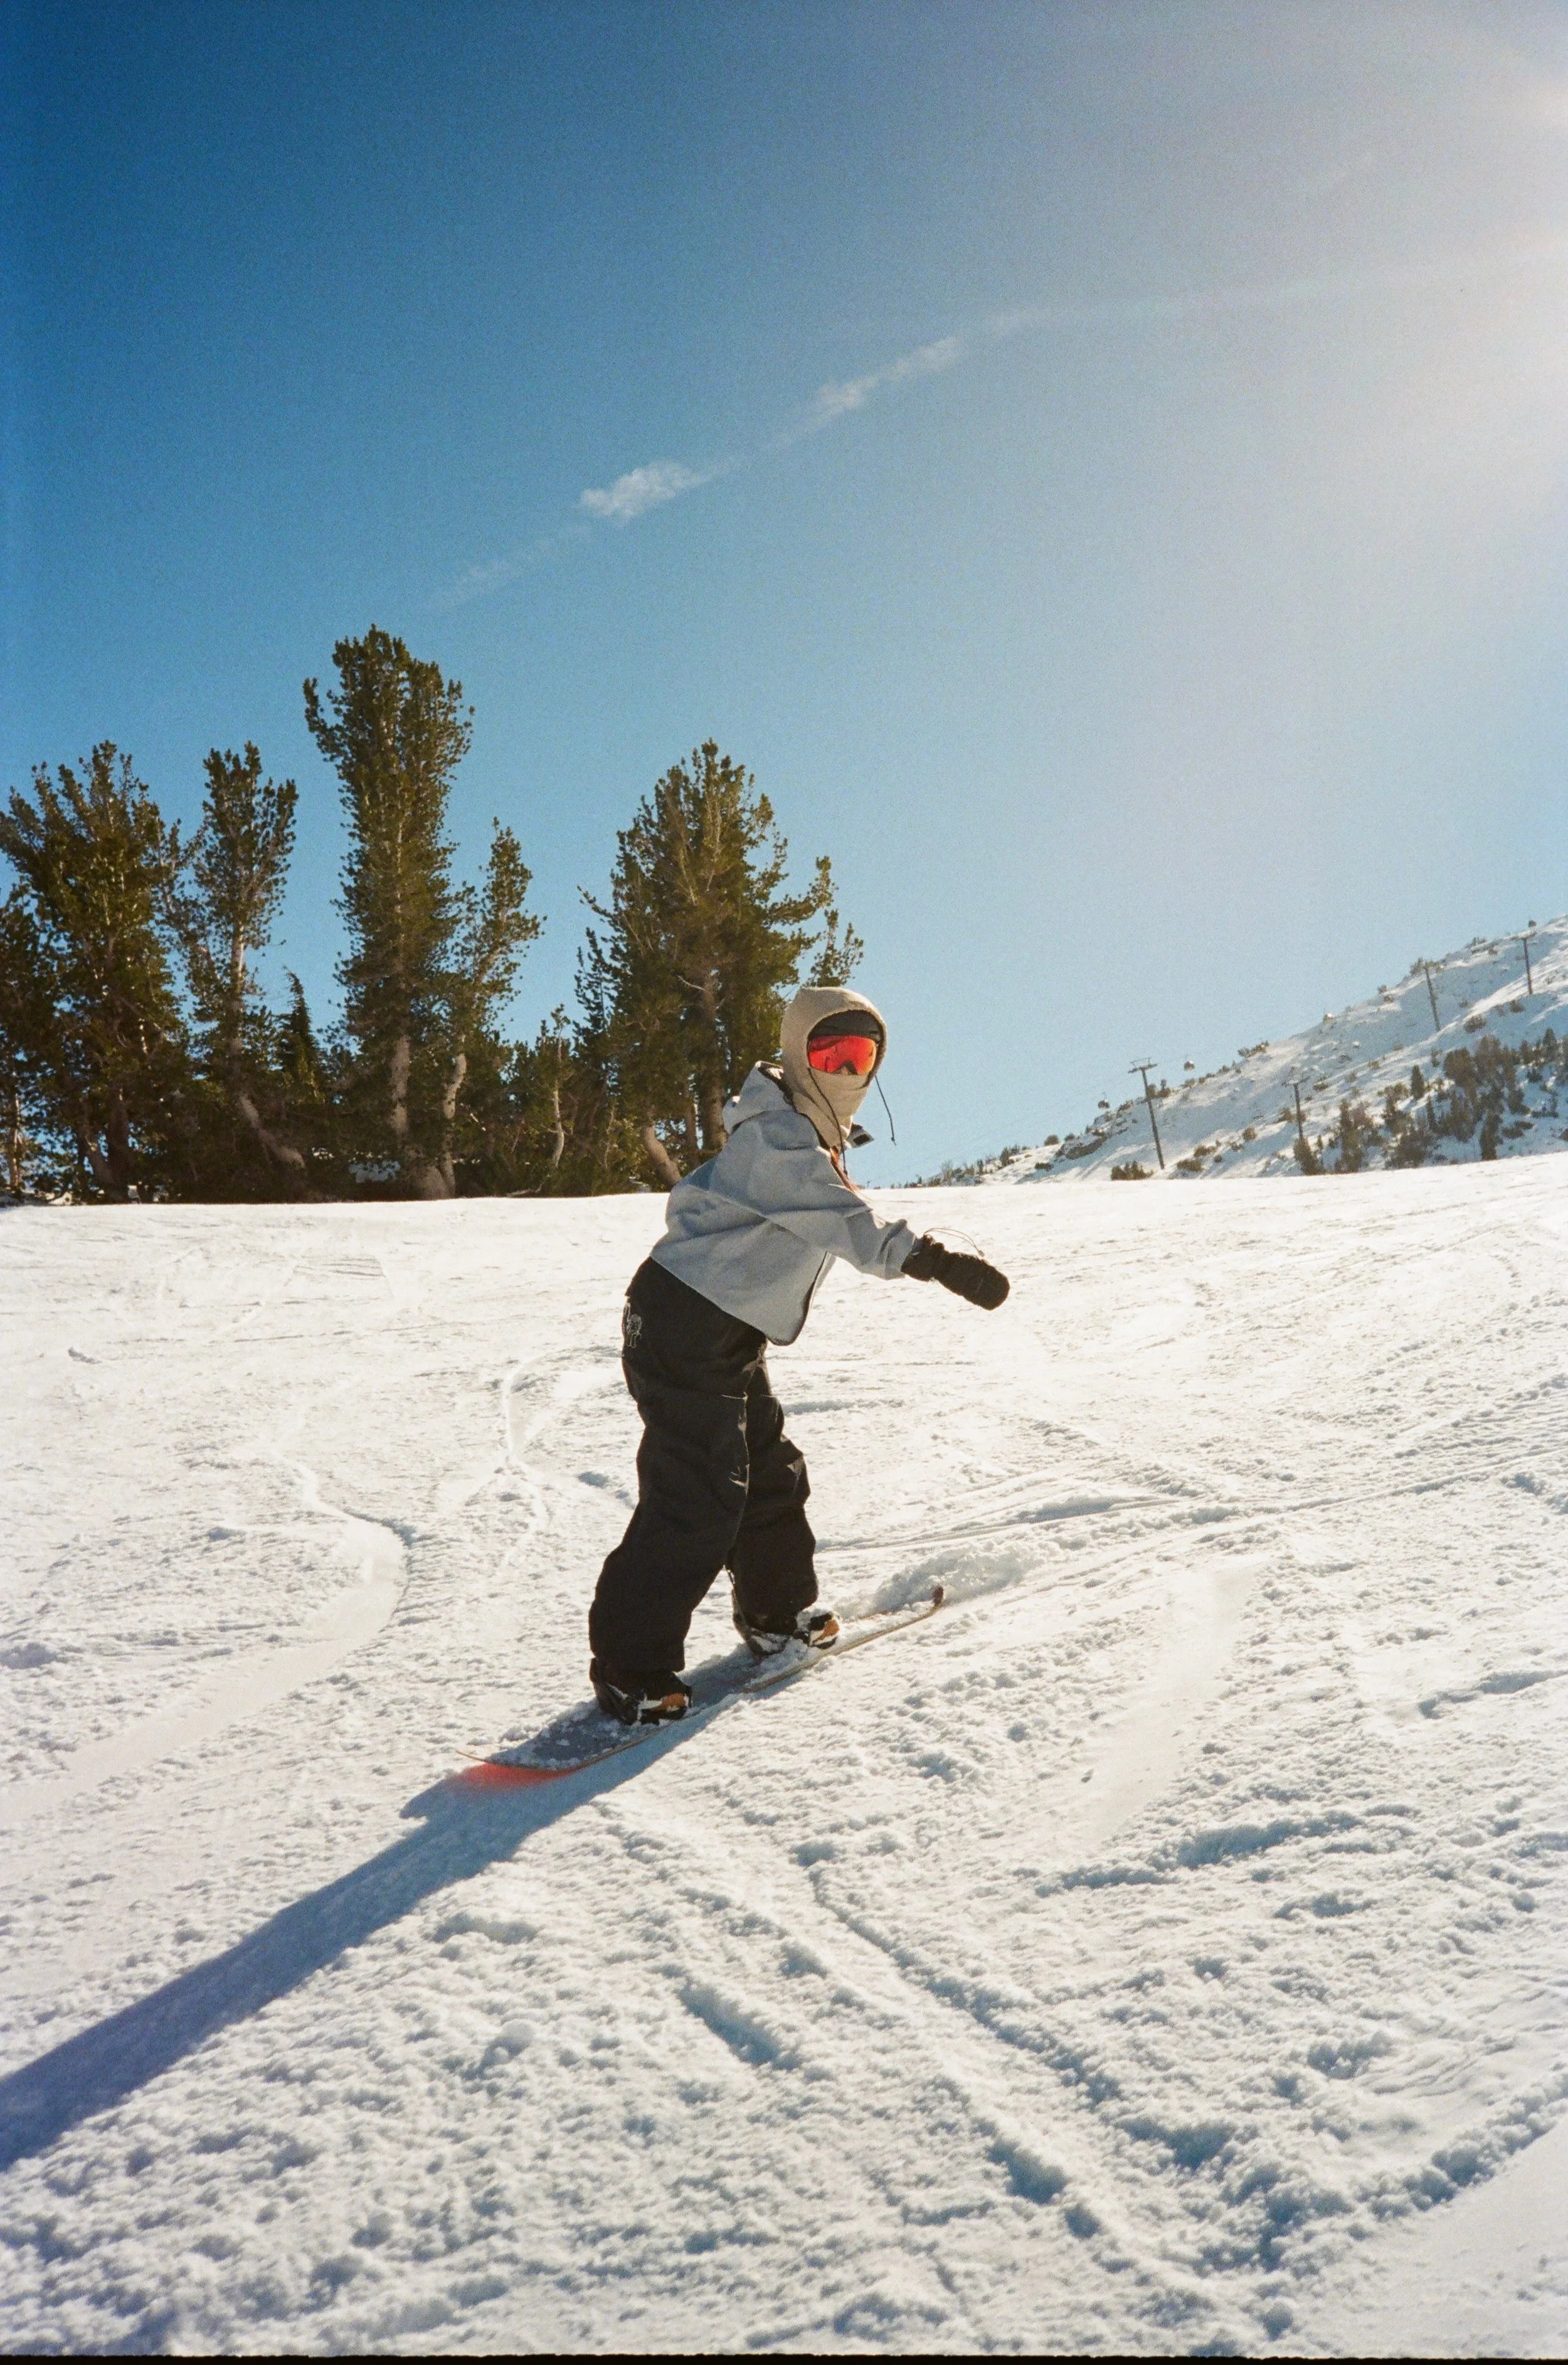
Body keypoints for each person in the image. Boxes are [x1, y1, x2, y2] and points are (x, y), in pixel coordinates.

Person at [588, 983, 1011, 1725]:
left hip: (722, 1331)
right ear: (796, 1053)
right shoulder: (777, 1136)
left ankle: (774, 1615)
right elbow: (843, 1219)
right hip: (684, 1323)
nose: (847, 1071)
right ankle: (629, 1666)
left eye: (862, 1056)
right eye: (830, 1053)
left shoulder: (801, 1130)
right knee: (697, 1493)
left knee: (769, 1472)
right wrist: (931, 1258)